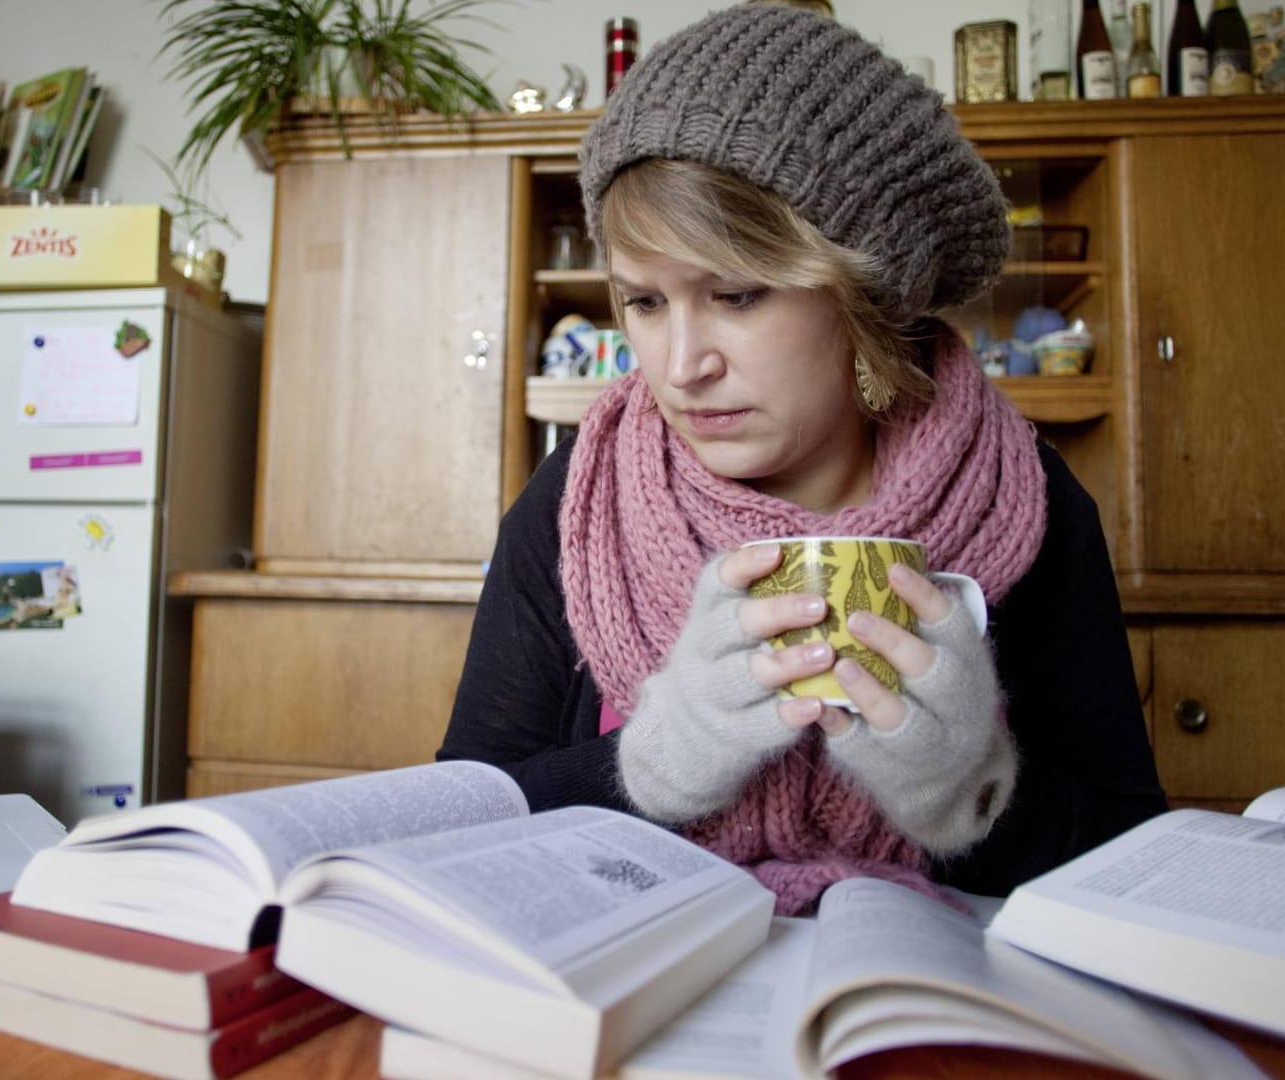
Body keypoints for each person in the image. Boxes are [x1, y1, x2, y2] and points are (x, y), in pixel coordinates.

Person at [438, 4, 1166, 911]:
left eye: (737, 294)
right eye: (644, 302)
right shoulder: (578, 501)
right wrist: (649, 768)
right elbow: (461, 825)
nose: (679, 365)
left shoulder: (1026, 500)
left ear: (866, 292)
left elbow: (1130, 861)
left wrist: (974, 791)